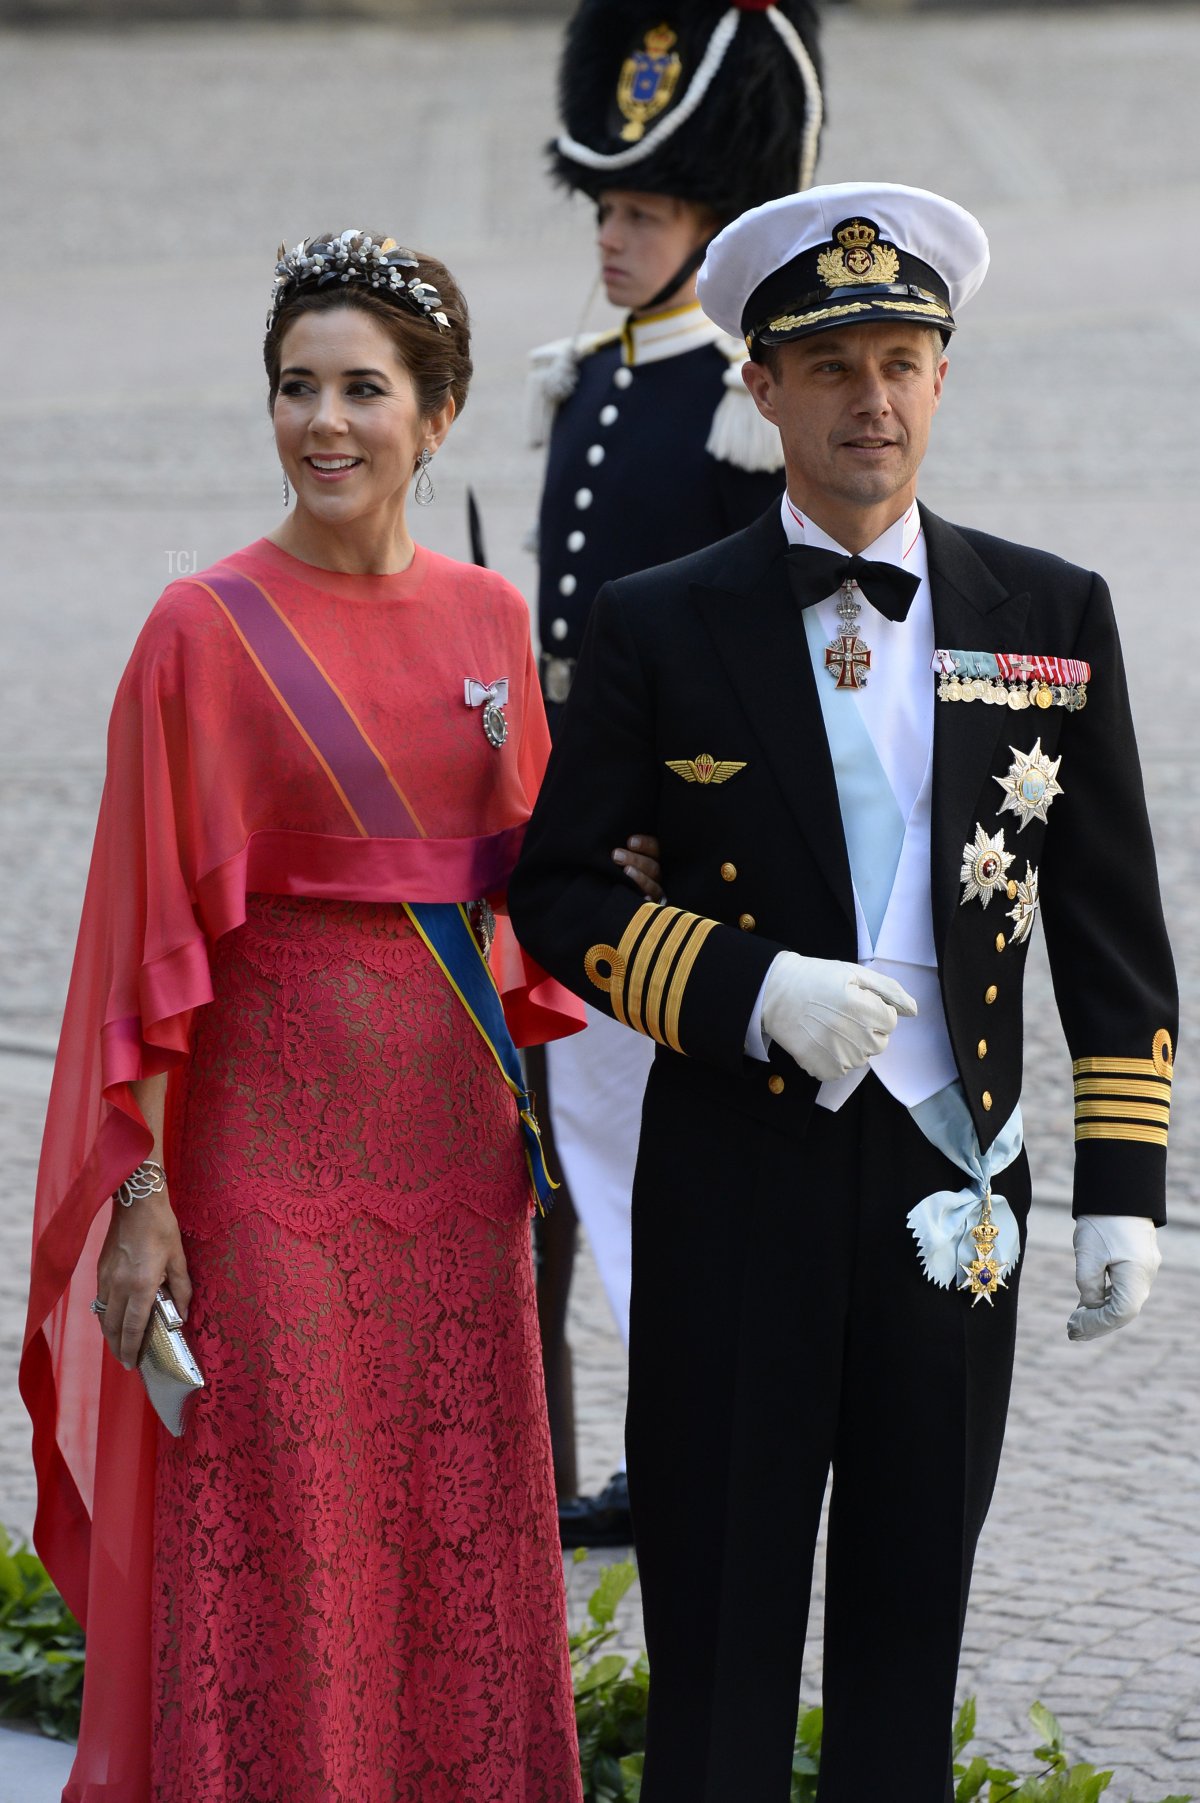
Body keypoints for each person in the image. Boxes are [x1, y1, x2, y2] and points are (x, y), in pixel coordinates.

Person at [509, 182, 1178, 1801]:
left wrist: (1124, 1190)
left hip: (955, 1177)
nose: (869, 400)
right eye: (828, 367)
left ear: (943, 376)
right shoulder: (661, 620)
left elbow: (1111, 928)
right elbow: (560, 891)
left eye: (899, 362)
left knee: (908, 1623)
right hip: (740, 1171)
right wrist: (749, 988)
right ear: (762, 387)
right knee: (720, 1623)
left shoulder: (1050, 615)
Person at [21, 228, 660, 1803]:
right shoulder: (199, 630)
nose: (324, 422)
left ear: (437, 416)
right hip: (263, 1165)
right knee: (286, 1528)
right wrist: (142, 1194)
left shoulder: (491, 620)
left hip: (455, 1156)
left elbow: (540, 887)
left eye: (363, 389)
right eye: (295, 387)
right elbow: (139, 946)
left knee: (451, 1523)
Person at [526, 0, 824, 1540]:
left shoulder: (728, 396)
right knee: (586, 1148)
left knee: (661, 1161)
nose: (614, 237)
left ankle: (697, 1444)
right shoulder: (585, 376)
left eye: (644, 214)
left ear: (711, 226)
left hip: (671, 850)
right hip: (577, 825)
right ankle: (652, 1446)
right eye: (608, 209)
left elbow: (746, 641)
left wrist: (678, 817)